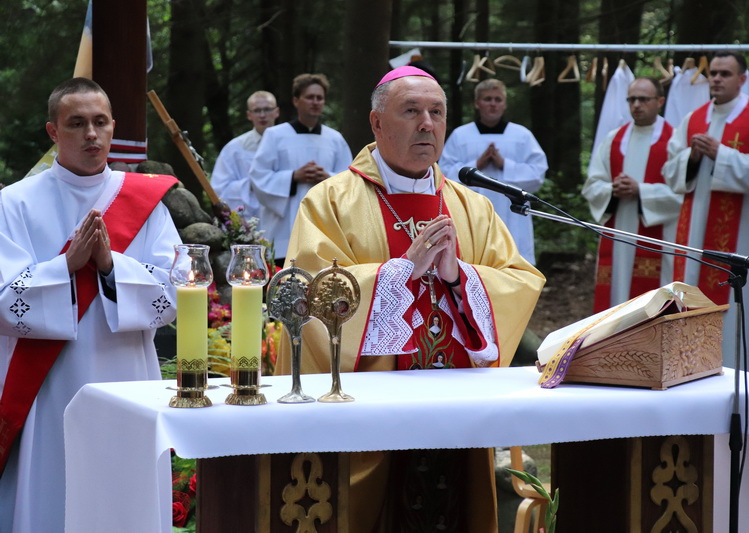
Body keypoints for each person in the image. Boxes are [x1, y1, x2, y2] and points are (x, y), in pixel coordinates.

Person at [277, 66, 544, 533]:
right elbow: (309, 294)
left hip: (457, 414)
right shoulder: (330, 202)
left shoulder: (470, 205)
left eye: (436, 112)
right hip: (369, 418)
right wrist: (401, 273)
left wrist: (460, 276)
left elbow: (519, 281)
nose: (427, 123)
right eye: (411, 111)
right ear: (376, 123)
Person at [0, 78, 180, 533]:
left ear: (113, 126)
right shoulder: (14, 203)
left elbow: (176, 295)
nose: (91, 135)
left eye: (100, 122)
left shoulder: (148, 201)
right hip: (50, 383)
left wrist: (109, 265)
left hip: (127, 376)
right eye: (76, 124)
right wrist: (65, 266)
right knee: (53, 489)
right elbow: (4, 303)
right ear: (53, 132)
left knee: (123, 491)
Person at [662, 51, 749, 362]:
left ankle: (736, 362)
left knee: (737, 303)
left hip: (741, 230)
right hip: (695, 231)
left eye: (725, 74)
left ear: (742, 79)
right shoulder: (692, 119)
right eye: (713, 73)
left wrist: (720, 153)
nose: (716, 79)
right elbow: (670, 171)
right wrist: (693, 158)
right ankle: (688, 363)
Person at [582, 77, 683, 312]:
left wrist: (641, 191)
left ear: (660, 101)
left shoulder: (674, 140)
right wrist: (612, 190)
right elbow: (592, 186)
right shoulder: (613, 139)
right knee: (616, 299)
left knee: (655, 303)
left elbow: (683, 195)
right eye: (632, 99)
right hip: (618, 235)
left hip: (659, 238)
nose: (636, 104)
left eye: (643, 99)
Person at [439, 78, 548, 264]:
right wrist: (476, 165)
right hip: (472, 214)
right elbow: (443, 174)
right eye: (487, 99)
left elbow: (538, 174)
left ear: (504, 104)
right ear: (477, 103)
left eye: (498, 99)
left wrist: (504, 164)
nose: (493, 104)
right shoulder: (461, 135)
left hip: (512, 215)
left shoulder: (521, 135)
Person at [249, 74, 352, 263]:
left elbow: (350, 181)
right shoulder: (275, 135)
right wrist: (293, 177)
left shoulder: (335, 139)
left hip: (324, 230)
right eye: (309, 97)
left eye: (319, 98)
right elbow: (258, 176)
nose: (315, 102)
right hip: (282, 229)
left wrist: (327, 177)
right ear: (296, 101)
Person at [210, 90, 279, 217]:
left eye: (267, 109)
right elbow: (219, 190)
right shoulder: (234, 148)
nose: (262, 115)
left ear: (276, 112)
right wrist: (252, 185)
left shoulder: (287, 144)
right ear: (249, 115)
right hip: (250, 220)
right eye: (257, 110)